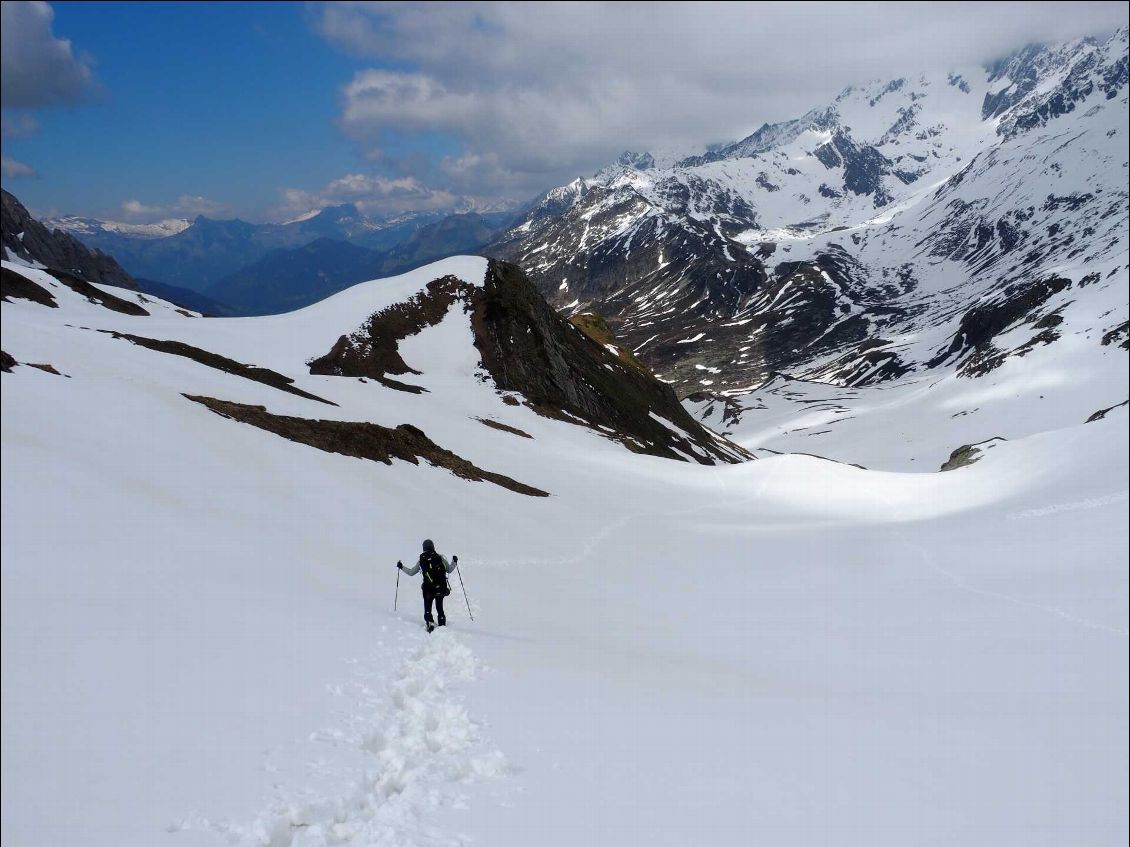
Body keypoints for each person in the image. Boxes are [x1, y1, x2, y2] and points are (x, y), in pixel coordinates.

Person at [398, 539, 458, 632]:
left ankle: (430, 622)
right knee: (439, 607)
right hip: (440, 587)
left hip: (428, 588)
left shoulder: (422, 559)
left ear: (424, 548)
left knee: (428, 606)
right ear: (433, 546)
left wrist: (401, 567)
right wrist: (454, 561)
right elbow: (449, 570)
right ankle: (442, 623)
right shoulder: (440, 557)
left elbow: (411, 572)